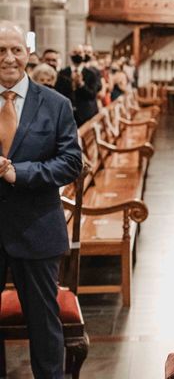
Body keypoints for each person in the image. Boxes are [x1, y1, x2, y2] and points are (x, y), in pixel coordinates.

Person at [0, 21, 83, 378]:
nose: (8, 58)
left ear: (27, 53)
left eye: (16, 50)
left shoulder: (55, 104)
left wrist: (20, 172)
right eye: (0, 50)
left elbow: (70, 162)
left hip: (35, 229)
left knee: (44, 325)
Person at [57, 45, 100, 125]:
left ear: (84, 55)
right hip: (68, 114)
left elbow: (92, 95)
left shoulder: (91, 74)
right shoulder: (63, 73)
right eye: (75, 52)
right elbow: (59, 93)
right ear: (70, 54)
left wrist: (81, 84)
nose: (77, 55)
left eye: (80, 53)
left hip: (86, 114)